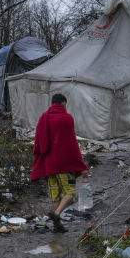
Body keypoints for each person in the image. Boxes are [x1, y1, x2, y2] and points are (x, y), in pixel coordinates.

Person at [31, 93, 88, 233]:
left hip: (49, 165)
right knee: (71, 193)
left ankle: (58, 226)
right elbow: (72, 144)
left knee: (55, 195)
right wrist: (82, 166)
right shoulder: (67, 118)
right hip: (64, 165)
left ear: (52, 103)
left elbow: (38, 142)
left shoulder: (44, 117)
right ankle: (56, 215)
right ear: (63, 104)